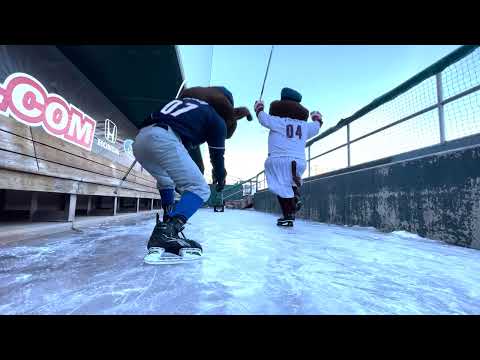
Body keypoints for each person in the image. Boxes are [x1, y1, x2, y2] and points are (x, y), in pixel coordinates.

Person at [134, 86, 251, 257]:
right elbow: (217, 156)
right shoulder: (216, 118)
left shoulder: (183, 104)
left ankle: (166, 223)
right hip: (164, 138)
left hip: (140, 141)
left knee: (166, 180)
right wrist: (220, 177)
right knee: (200, 188)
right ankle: (166, 233)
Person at [254, 87, 323, 226]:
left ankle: (289, 213)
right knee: (290, 184)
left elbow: (263, 119)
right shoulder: (305, 126)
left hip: (278, 160)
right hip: (299, 162)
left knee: (280, 187)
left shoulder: (278, 121)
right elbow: (317, 126)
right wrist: (316, 117)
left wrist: (259, 107)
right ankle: (295, 199)